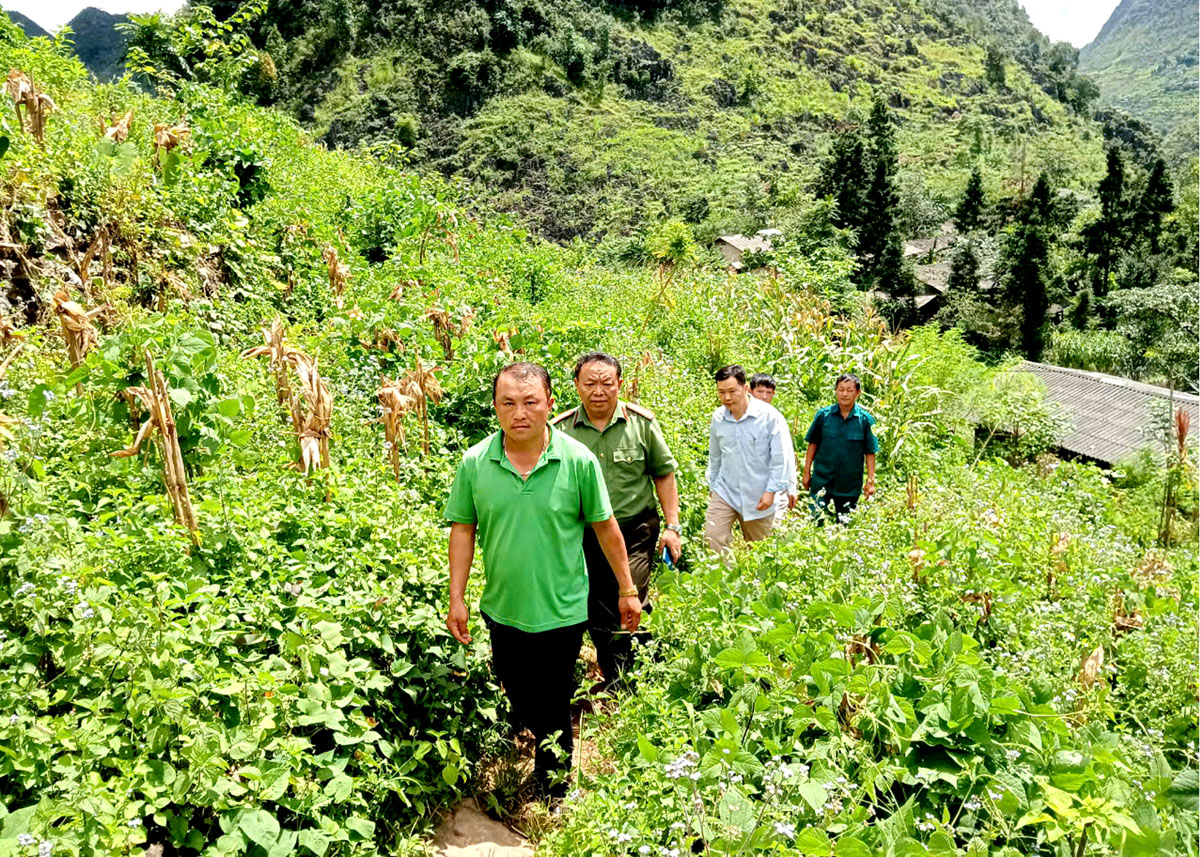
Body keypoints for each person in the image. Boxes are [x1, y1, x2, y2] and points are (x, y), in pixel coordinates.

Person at [444, 362, 642, 799]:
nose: (520, 413)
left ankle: (552, 788)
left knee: (553, 700)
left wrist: (628, 589)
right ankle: (533, 739)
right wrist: (456, 598)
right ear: (495, 408)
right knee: (517, 690)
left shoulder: (577, 460)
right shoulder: (476, 463)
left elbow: (606, 528)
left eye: (531, 402)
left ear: (550, 405)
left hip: (563, 608)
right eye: (508, 403)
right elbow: (463, 529)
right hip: (504, 607)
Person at [552, 352, 681, 689]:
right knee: (594, 604)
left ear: (619, 385)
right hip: (583, 532)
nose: (599, 391)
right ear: (577, 386)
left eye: (607, 383)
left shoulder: (642, 424)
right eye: (590, 383)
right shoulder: (559, 431)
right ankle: (617, 674)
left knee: (630, 592)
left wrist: (672, 527)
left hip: (634, 528)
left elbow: (664, 474)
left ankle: (636, 679)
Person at [704, 365, 791, 553]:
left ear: (745, 389)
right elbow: (715, 455)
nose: (726, 397)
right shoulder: (718, 418)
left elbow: (780, 458)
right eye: (721, 392)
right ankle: (723, 579)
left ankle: (756, 582)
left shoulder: (769, 417)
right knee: (713, 536)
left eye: (732, 391)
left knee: (760, 550)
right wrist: (713, 486)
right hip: (725, 490)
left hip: (759, 494)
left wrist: (771, 491)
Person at [802, 373, 878, 520]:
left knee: (845, 524)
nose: (844, 394)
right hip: (822, 480)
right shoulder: (823, 416)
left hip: (848, 485)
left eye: (849, 390)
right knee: (815, 520)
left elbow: (870, 452)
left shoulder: (865, 420)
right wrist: (806, 473)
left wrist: (870, 480)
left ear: (857, 393)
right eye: (841, 389)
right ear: (836, 390)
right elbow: (813, 444)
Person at [749, 373, 798, 520]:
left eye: (768, 393)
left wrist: (791, 487)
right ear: (749, 392)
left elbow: (786, 454)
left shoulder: (776, 419)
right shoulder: (741, 418)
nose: (764, 397)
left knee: (775, 531)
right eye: (760, 392)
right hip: (751, 488)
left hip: (777, 488)